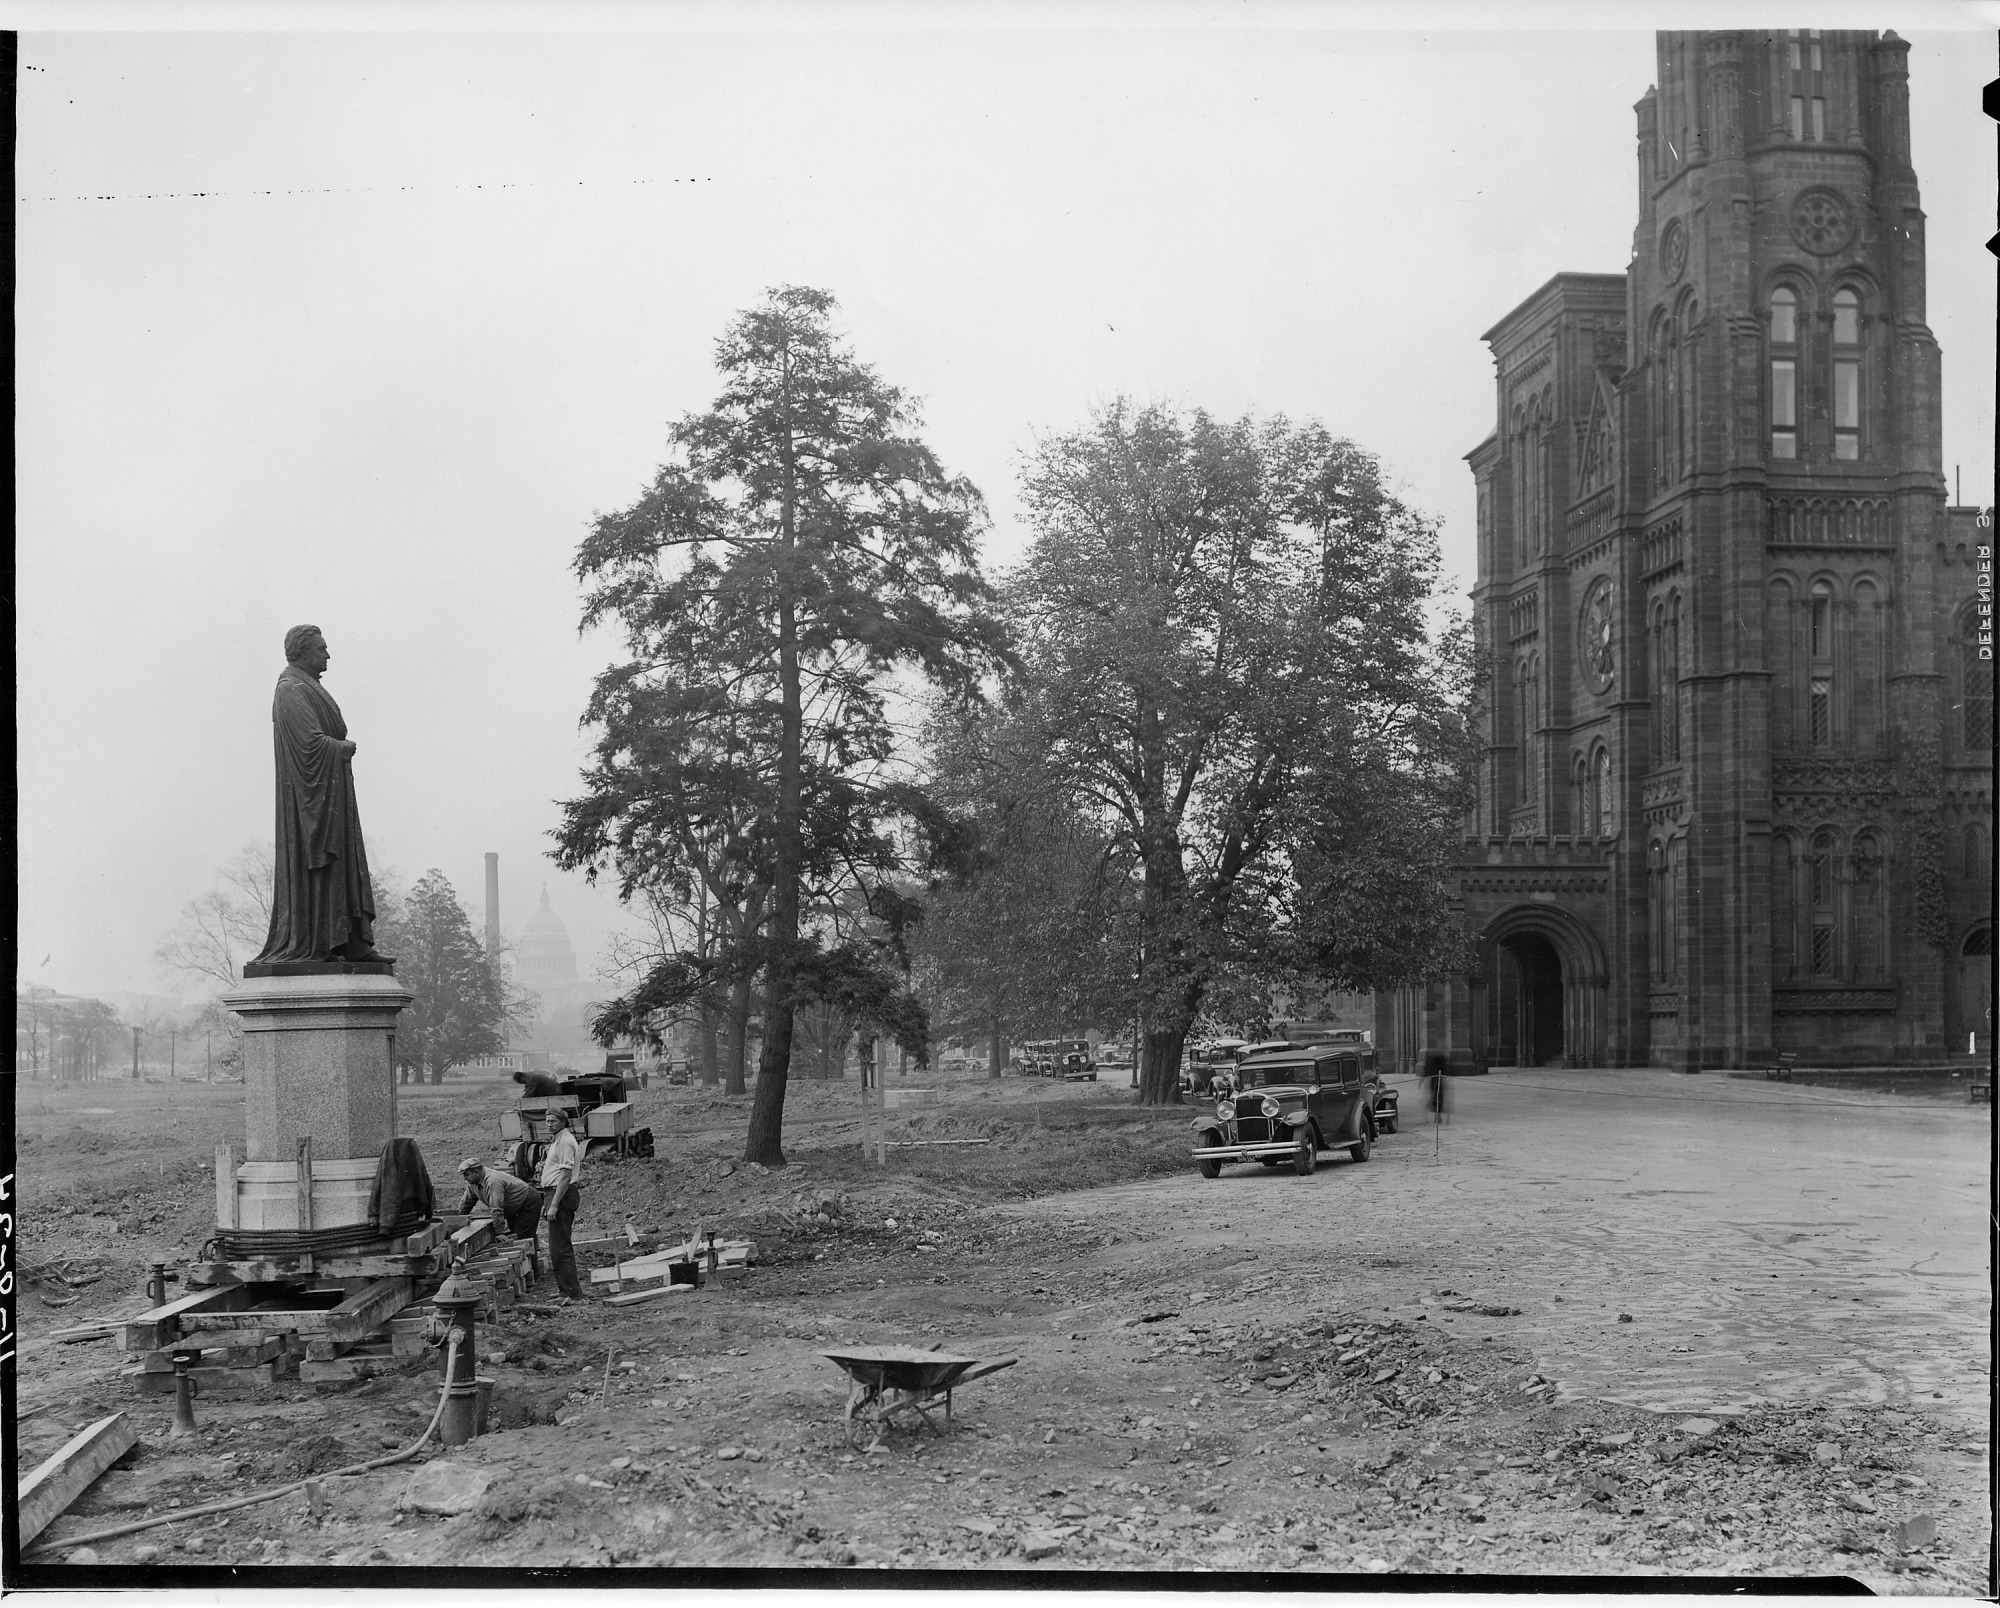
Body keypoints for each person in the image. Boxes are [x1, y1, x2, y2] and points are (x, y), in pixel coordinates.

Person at [251, 625, 391, 966]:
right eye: (321, 649)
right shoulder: (290, 689)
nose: (327, 655)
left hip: (333, 793)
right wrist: (340, 748)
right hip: (311, 799)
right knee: (324, 868)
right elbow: (308, 745)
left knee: (344, 865)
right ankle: (319, 943)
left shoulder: (309, 686)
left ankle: (351, 942)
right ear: (301, 652)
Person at [537, 1107, 586, 1302]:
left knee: (560, 1246)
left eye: (553, 1121)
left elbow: (565, 1177)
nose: (549, 1124)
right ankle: (565, 1289)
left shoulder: (565, 1141)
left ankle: (570, 1293)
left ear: (563, 1122)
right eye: (547, 1121)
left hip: (562, 1194)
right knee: (557, 1245)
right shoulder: (558, 1140)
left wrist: (554, 1204)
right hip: (555, 1193)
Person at [456, 1156, 543, 1243]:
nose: (465, 1178)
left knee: (522, 1238)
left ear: (476, 1172)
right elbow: (466, 1203)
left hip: (528, 1201)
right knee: (514, 1234)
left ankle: (531, 1255)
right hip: (514, 1206)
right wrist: (456, 1221)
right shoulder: (473, 1183)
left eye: (466, 1175)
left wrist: (499, 1233)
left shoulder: (493, 1181)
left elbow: (496, 1207)